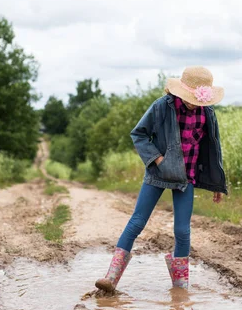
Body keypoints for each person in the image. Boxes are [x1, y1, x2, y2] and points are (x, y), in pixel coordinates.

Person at [95, 66, 227, 292]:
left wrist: (217, 182)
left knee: (183, 231)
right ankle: (111, 278)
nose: (193, 103)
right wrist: (158, 160)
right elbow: (139, 134)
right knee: (137, 222)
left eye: (198, 99)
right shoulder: (161, 107)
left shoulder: (208, 114)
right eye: (190, 98)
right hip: (158, 174)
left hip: (186, 178)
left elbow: (213, 149)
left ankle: (180, 288)